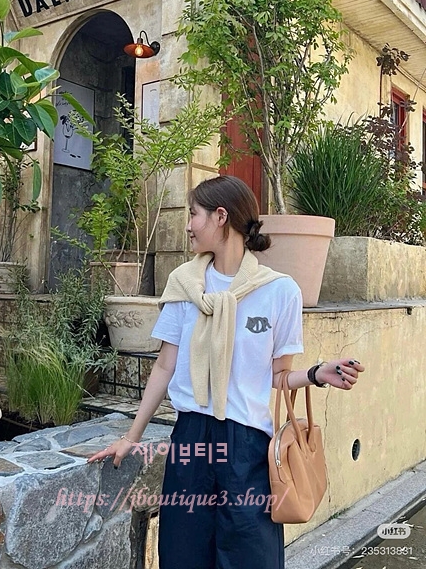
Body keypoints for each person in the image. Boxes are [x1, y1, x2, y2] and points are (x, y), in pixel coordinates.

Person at [88, 175, 365, 569]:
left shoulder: (279, 291)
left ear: (221, 217)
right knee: (183, 555)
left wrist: (317, 373)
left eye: (193, 214)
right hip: (191, 440)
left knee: (250, 557)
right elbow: (165, 366)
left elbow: (278, 376)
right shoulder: (184, 285)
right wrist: (130, 438)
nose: (188, 225)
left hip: (247, 447)